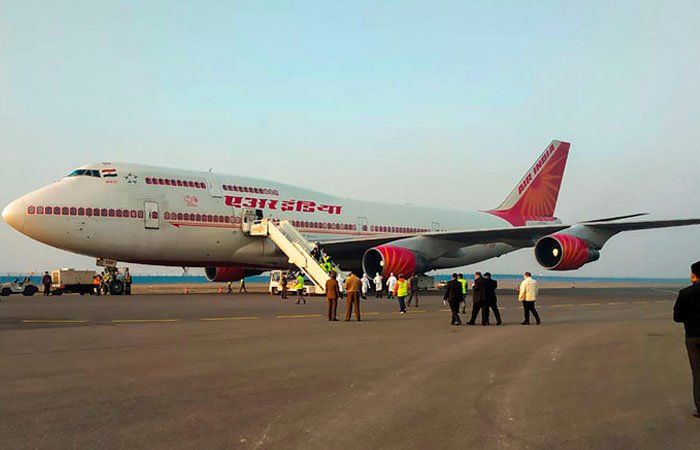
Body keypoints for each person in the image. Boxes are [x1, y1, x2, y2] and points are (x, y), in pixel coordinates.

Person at [673, 261, 700, 418]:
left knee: (697, 373)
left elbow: (677, 317)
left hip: (693, 336)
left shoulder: (685, 293)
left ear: (694, 275)